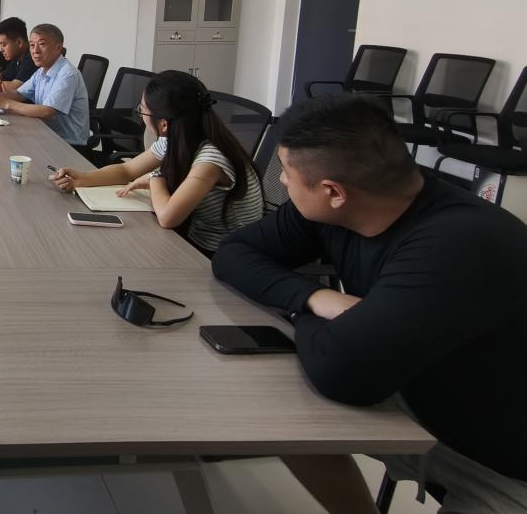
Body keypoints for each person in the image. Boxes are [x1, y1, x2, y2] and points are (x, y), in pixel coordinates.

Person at [212, 94, 527, 514]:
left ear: (333, 192)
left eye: (286, 172)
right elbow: (234, 254)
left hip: (499, 463)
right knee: (278, 404)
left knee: (310, 378)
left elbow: (340, 370)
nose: (282, 181)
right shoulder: (346, 206)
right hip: (418, 390)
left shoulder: (459, 244)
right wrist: (315, 296)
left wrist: (302, 312)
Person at [50, 70, 263, 256]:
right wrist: (82, 178)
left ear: (163, 124)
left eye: (142, 110)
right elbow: (128, 169)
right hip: (191, 235)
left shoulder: (210, 160)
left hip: (220, 252)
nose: (141, 116)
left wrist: (155, 179)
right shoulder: (176, 138)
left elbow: (168, 218)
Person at [0, 23, 92, 155]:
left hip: (69, 146)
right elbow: (20, 95)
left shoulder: (67, 74)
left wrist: (6, 102)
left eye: (42, 44)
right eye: (32, 45)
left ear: (58, 48)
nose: (35, 50)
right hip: (46, 135)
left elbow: (47, 111)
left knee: (5, 150)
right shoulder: (42, 71)